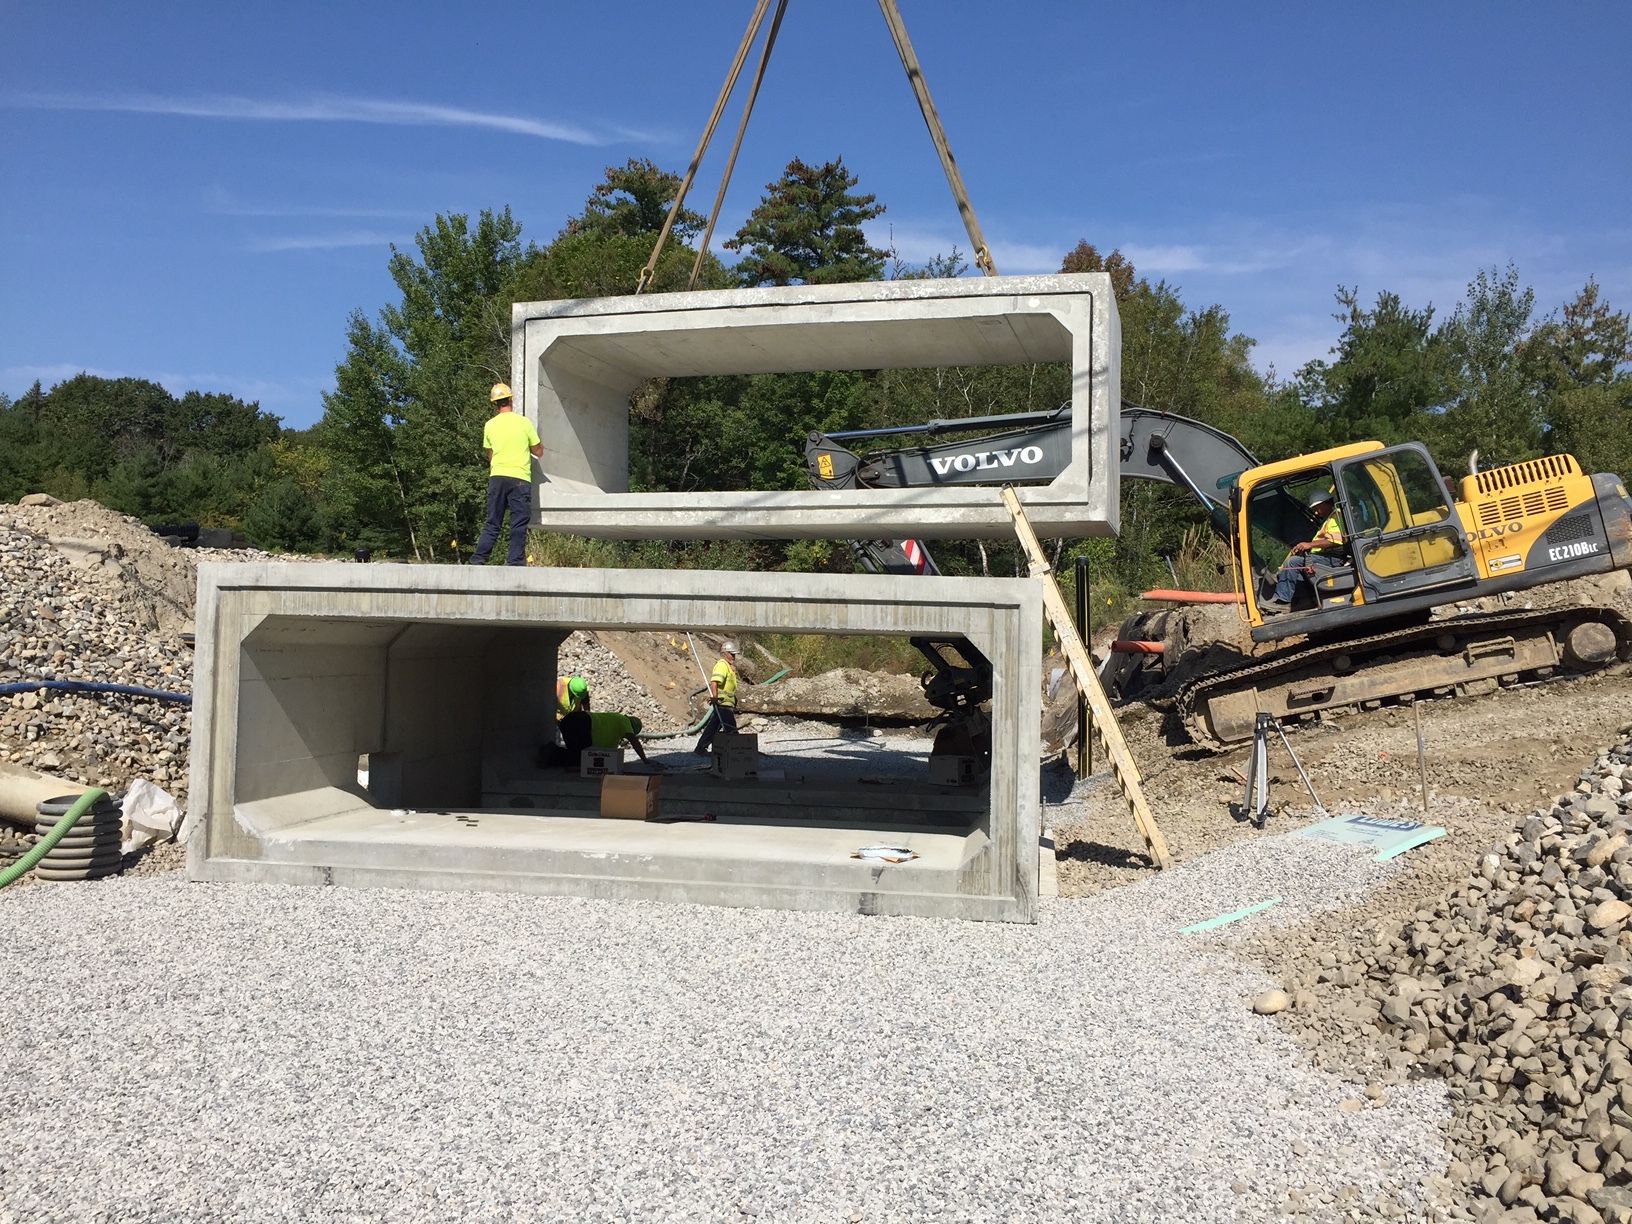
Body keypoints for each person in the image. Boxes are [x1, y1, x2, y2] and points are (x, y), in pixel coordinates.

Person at [469, 382, 542, 567]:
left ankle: (478, 559)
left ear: (495, 404)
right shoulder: (523, 422)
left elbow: (490, 454)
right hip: (519, 478)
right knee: (518, 522)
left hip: (497, 477)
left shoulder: (490, 425)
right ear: (511, 399)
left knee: (493, 521)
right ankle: (515, 561)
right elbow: (538, 451)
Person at [1267, 488, 1347, 610]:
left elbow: (1335, 541)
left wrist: (1309, 545)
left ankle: (1282, 601)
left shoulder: (1336, 516)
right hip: (1327, 556)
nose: (1316, 512)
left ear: (1325, 503)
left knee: (1292, 562)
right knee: (1295, 570)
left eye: (1317, 507)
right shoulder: (1330, 518)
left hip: (1334, 558)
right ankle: (1304, 600)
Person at [693, 640, 740, 757]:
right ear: (725, 653)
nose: (733, 656)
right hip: (722, 703)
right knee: (731, 728)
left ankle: (701, 747)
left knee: (714, 725)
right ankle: (739, 749)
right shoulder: (722, 665)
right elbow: (714, 682)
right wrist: (714, 697)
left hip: (727, 703)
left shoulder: (728, 667)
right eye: (731, 654)